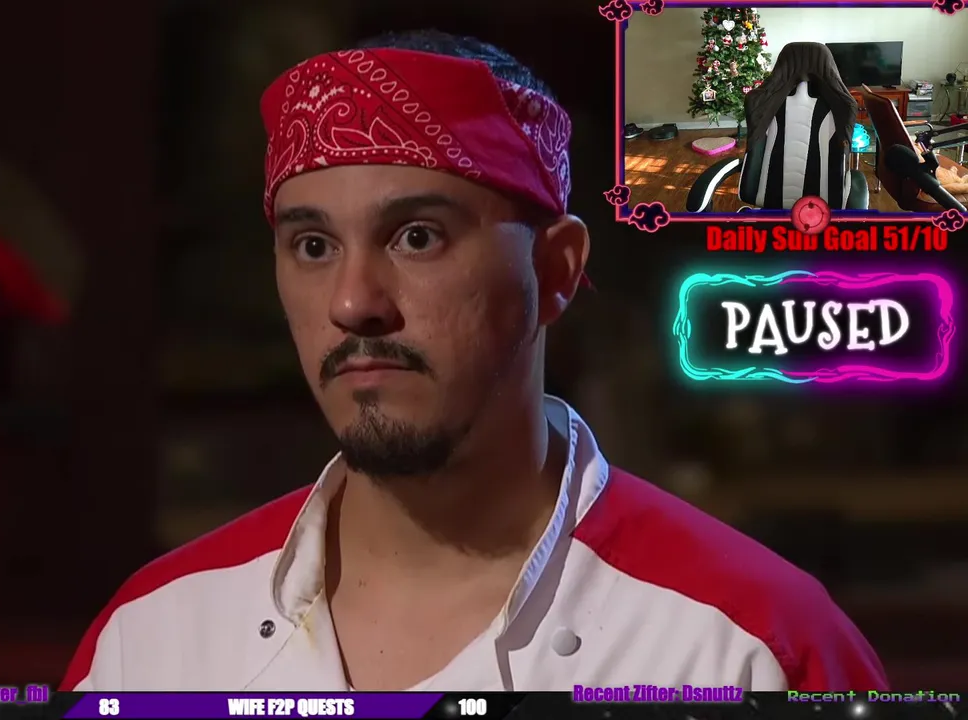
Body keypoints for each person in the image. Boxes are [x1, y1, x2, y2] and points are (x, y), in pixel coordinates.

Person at [62, 30, 888, 692]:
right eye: (313, 245)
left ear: (555, 270)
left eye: (416, 237)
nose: (353, 303)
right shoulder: (154, 640)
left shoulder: (746, 648)